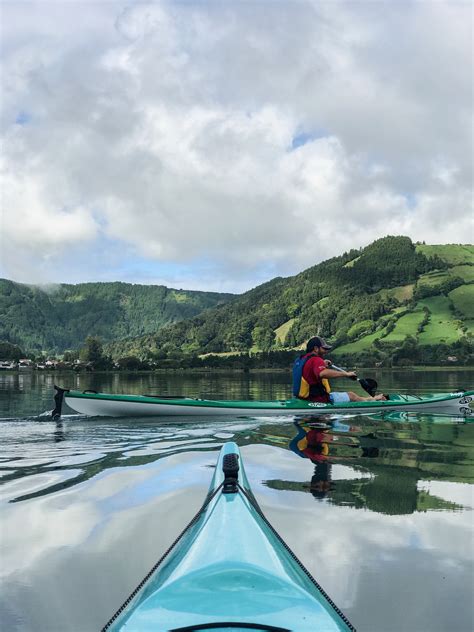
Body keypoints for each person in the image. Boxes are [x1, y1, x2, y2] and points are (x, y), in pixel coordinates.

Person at [297, 336, 386, 403]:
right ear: (316, 348)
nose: (326, 351)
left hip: (304, 398)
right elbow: (323, 373)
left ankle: (373, 399)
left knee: (351, 395)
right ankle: (375, 400)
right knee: (352, 396)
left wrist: (322, 364)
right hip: (318, 399)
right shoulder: (316, 360)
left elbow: (309, 371)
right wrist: (346, 374)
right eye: (324, 348)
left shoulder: (302, 359)